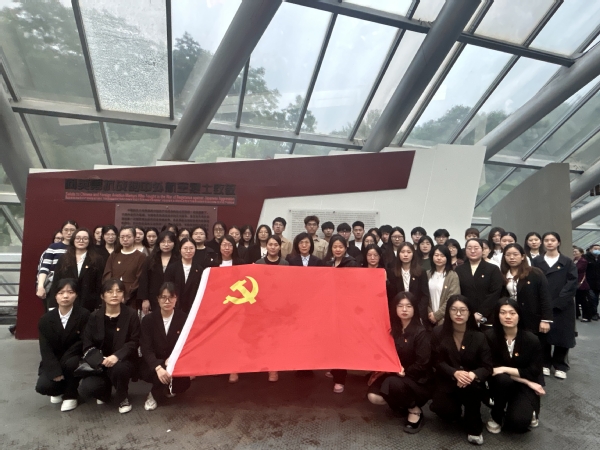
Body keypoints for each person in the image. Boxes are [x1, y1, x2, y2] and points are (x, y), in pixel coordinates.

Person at [430, 295, 493, 445]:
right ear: (448, 312)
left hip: (470, 384)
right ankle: (455, 409)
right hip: (447, 380)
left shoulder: (479, 336)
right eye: (454, 310)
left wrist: (471, 375)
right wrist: (454, 372)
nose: (458, 314)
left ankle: (474, 424)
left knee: (471, 390)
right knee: (445, 411)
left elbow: (487, 367)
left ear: (470, 312)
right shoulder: (438, 332)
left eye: (463, 310)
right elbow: (436, 361)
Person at [367, 292, 432, 433]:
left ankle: (415, 410)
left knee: (392, 383)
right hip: (394, 373)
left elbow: (423, 363)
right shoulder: (391, 329)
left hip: (416, 378)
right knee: (373, 396)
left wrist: (404, 371)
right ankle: (402, 405)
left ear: (414, 309)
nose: (404, 309)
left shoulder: (421, 332)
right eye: (400, 306)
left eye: (409, 306)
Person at [484, 298, 545, 434]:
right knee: (502, 380)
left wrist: (504, 368)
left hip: (523, 385)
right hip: (500, 384)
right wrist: (528, 382)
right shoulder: (489, 337)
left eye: (512, 313)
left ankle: (527, 409)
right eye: (503, 312)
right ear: (497, 315)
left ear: (519, 315)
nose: (508, 316)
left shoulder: (531, 339)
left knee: (519, 422)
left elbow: (534, 371)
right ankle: (496, 415)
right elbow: (490, 369)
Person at [79, 279, 141, 414]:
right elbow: (87, 343)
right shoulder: (94, 316)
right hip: (101, 362)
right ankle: (104, 393)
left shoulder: (131, 315)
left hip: (123, 360)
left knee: (119, 368)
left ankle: (123, 397)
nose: (114, 295)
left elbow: (134, 341)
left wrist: (116, 356)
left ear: (123, 295)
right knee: (87, 388)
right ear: (102, 296)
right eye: (110, 291)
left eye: (119, 291)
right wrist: (101, 360)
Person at [36, 278, 90, 412]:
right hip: (54, 359)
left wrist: (66, 359)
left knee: (71, 363)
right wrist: (54, 370)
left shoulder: (84, 315)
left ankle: (71, 395)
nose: (65, 296)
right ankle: (59, 390)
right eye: (61, 293)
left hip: (75, 357)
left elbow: (84, 341)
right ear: (55, 296)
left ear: (76, 295)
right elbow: (45, 348)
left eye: (70, 292)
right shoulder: (46, 319)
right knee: (43, 386)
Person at [532, 232, 578, 379]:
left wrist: (559, 301)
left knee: (562, 335)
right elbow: (532, 281)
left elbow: (572, 283)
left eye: (553, 240)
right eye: (546, 240)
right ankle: (545, 363)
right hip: (542, 304)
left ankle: (560, 365)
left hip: (563, 306)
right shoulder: (536, 261)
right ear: (543, 243)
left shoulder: (567, 262)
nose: (549, 243)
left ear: (558, 242)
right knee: (543, 335)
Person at [140, 282, 191, 411]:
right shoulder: (148, 320)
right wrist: (158, 367)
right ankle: (153, 395)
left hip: (173, 362)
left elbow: (186, 343)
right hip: (153, 363)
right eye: (163, 297)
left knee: (183, 385)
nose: (167, 301)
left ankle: (165, 388)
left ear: (176, 298)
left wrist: (173, 360)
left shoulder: (184, 318)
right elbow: (146, 348)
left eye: (171, 297)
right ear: (158, 299)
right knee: (160, 375)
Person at [325, 235, 359, 393]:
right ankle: (334, 368)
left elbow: (354, 286)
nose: (337, 249)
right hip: (329, 308)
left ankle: (340, 379)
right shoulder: (328, 264)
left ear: (345, 248)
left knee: (341, 343)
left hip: (345, 310)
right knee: (331, 340)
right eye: (335, 247)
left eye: (340, 247)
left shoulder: (351, 264)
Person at [500, 243, 552, 335]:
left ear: (523, 257)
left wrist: (546, 319)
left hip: (532, 316)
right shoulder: (502, 275)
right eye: (508, 255)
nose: (511, 257)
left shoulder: (535, 273)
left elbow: (545, 296)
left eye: (515, 254)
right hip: (511, 316)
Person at [47, 228, 104, 312]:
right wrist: (53, 304)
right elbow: (56, 281)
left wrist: (99, 305)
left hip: (88, 304)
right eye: (78, 238)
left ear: (89, 241)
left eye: (85, 238)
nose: (81, 241)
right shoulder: (64, 258)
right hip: (66, 302)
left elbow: (99, 284)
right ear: (73, 240)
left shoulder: (97, 259)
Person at [455, 239, 504, 325]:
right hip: (465, 314)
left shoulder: (493, 269)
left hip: (487, 315)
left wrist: (481, 312)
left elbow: (495, 292)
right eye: (469, 248)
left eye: (476, 248)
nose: (472, 251)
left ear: (482, 250)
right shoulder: (459, 269)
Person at [36, 220, 78, 308]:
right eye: (66, 230)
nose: (69, 233)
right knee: (52, 311)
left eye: (72, 230)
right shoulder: (53, 247)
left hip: (74, 286)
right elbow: (44, 268)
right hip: (54, 285)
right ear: (62, 231)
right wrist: (40, 286)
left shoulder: (79, 247)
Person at [103, 227, 147, 307]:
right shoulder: (114, 255)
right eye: (122, 237)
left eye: (128, 237)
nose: (125, 239)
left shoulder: (141, 256)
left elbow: (139, 279)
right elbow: (107, 275)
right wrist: (112, 292)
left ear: (134, 237)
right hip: (113, 296)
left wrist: (126, 296)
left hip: (132, 298)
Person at [386, 242, 430, 324]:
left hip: (417, 313)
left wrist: (419, 313)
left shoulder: (421, 272)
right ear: (398, 254)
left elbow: (425, 295)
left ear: (413, 254)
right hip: (397, 313)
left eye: (409, 252)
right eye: (402, 252)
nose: (405, 255)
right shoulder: (392, 272)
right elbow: (391, 296)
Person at [138, 231, 179, 316]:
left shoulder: (179, 260)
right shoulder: (150, 259)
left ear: (174, 243)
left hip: (172, 298)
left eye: (169, 242)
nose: (166, 244)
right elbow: (144, 279)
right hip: (153, 298)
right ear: (158, 243)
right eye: (163, 242)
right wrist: (145, 299)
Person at [164, 238, 204, 315]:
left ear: (195, 249)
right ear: (180, 250)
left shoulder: (199, 269)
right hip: (175, 306)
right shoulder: (172, 268)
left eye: (191, 248)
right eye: (185, 248)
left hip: (193, 307)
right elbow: (167, 287)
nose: (188, 251)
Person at [427, 245, 460, 327]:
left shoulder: (452, 275)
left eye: (442, 256)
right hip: (429, 318)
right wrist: (430, 313)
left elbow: (452, 298)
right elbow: (423, 296)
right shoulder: (427, 274)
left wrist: (437, 315)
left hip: (445, 319)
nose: (439, 258)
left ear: (447, 258)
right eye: (436, 255)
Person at [573, 246, 592, 322]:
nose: (574, 253)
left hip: (581, 283)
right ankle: (577, 314)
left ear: (581, 253)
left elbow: (577, 269)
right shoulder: (574, 260)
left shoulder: (583, 261)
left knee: (583, 300)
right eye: (574, 252)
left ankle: (586, 316)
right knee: (577, 299)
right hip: (575, 282)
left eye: (576, 252)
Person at [584, 243, 600, 320]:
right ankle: (593, 313)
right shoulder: (586, 258)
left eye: (599, 249)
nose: (597, 250)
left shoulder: (599, 258)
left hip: (598, 283)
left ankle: (594, 313)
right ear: (590, 250)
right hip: (588, 282)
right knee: (592, 298)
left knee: (596, 299)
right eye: (595, 249)